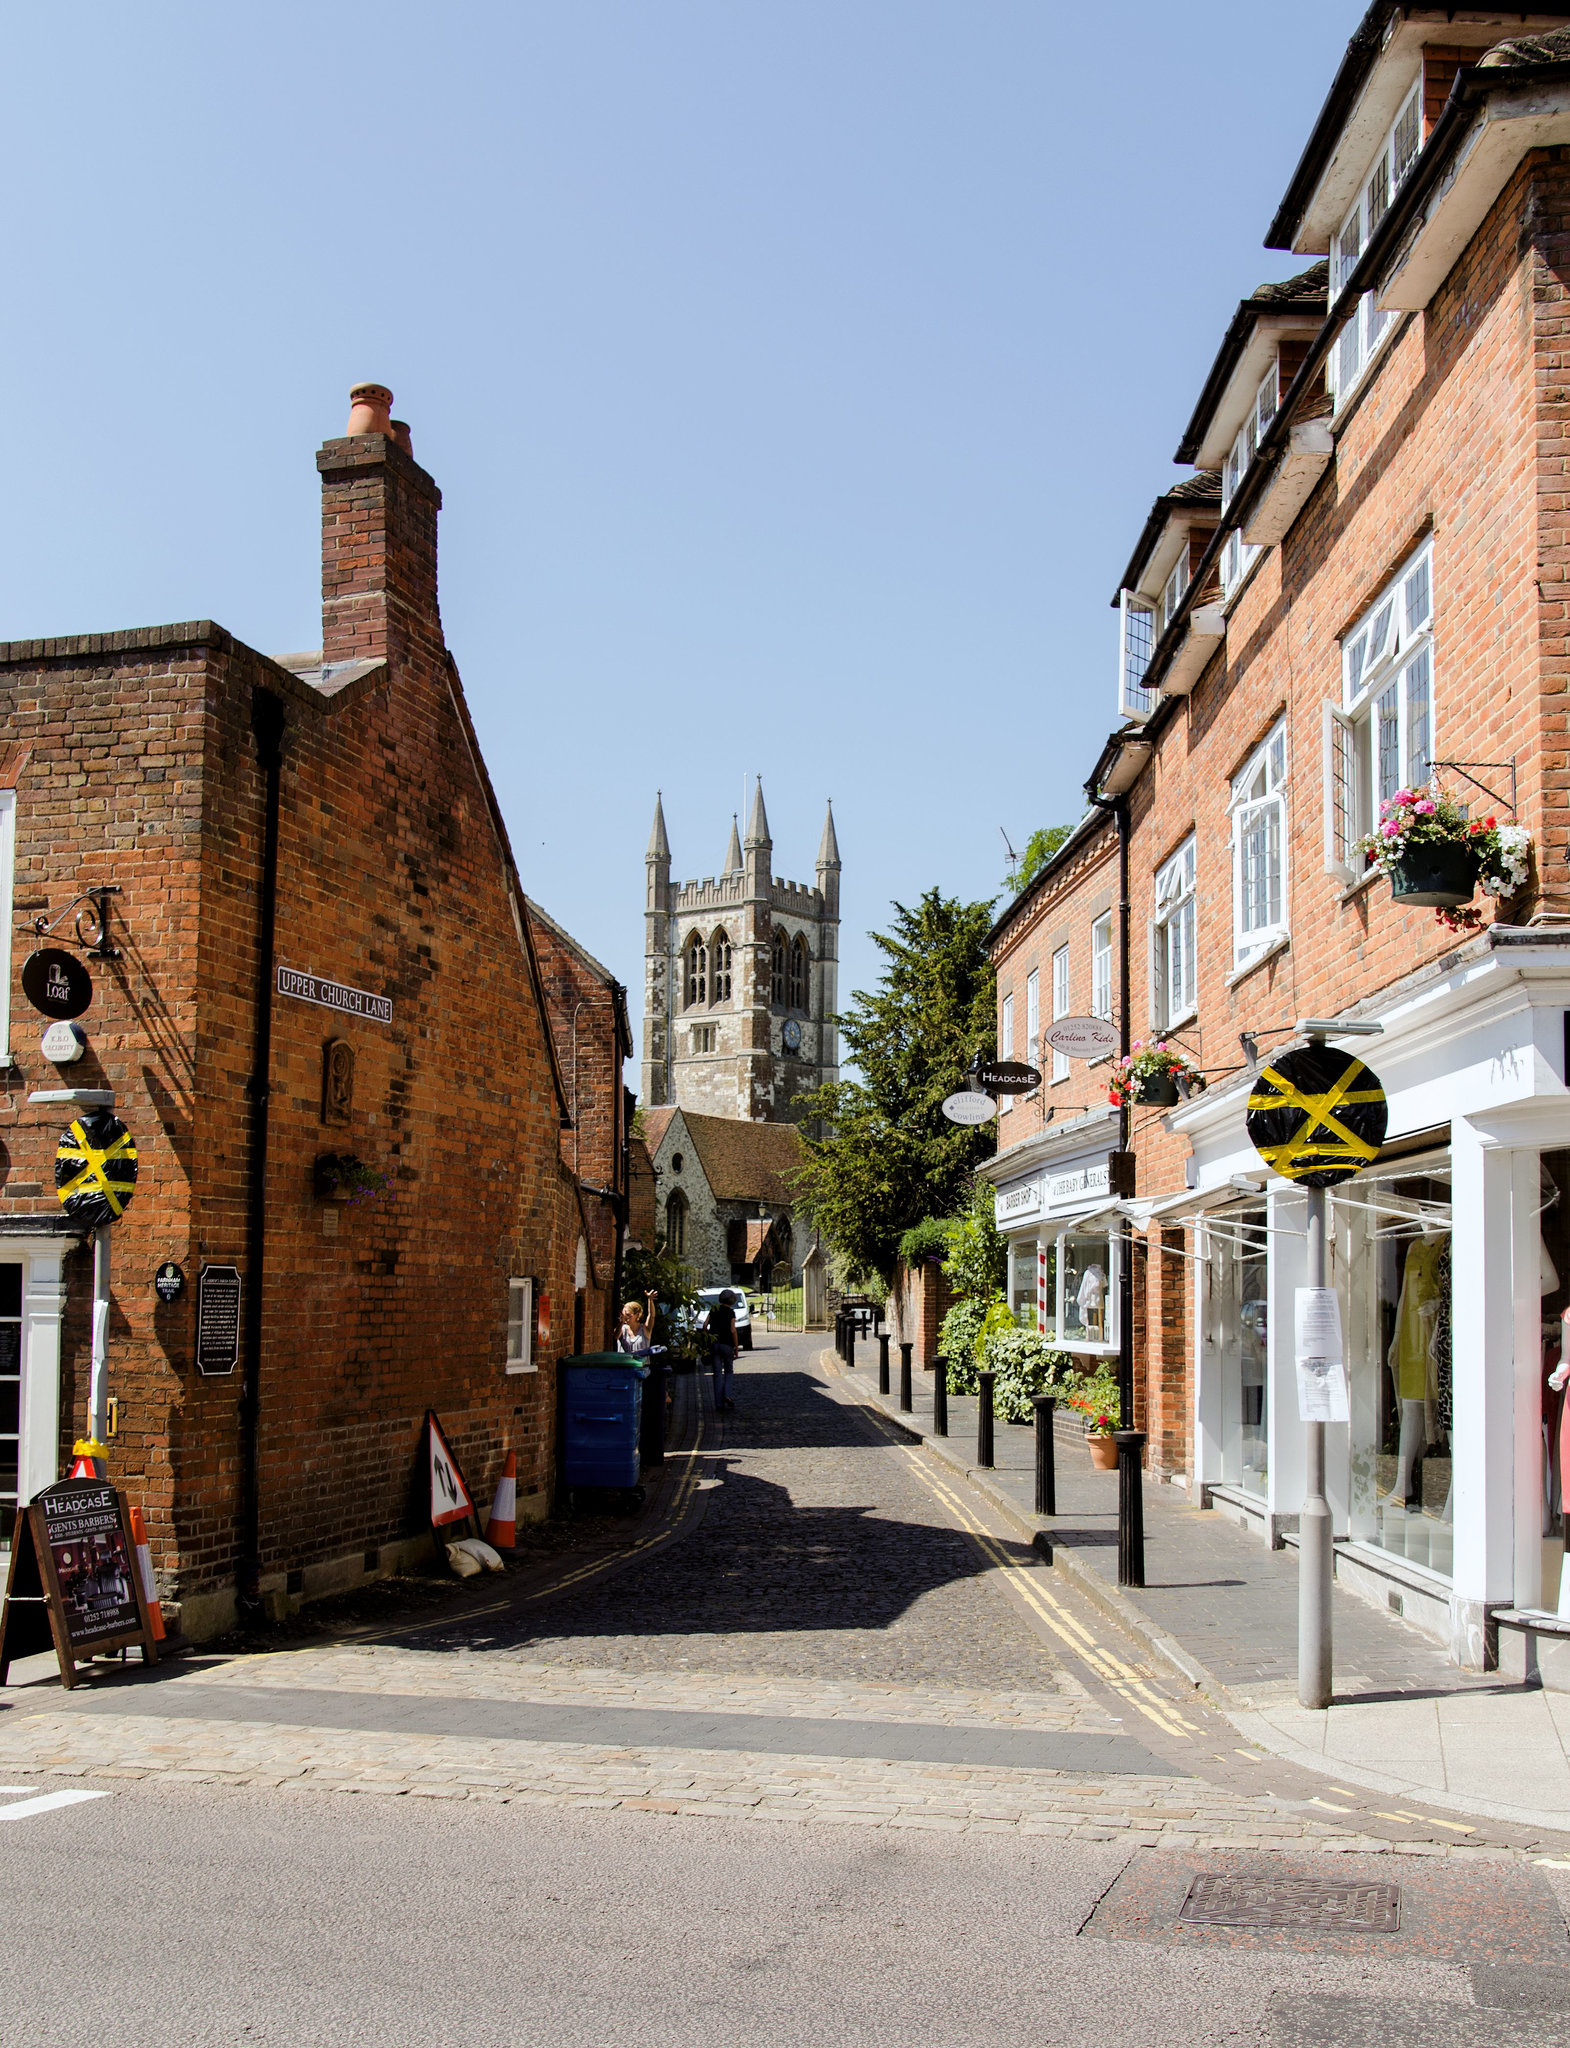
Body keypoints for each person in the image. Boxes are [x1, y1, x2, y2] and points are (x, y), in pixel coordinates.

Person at [707, 1289, 738, 1411]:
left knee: (717, 1373)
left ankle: (719, 1404)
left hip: (714, 1344)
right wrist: (736, 1347)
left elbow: (705, 1325)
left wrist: (708, 1338)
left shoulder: (714, 1310)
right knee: (729, 1371)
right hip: (727, 1344)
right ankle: (727, 1394)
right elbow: (732, 1330)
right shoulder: (731, 1312)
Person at [618, 1291, 658, 1357]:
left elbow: (651, 1316)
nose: (625, 1318)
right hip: (627, 1366)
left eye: (628, 1315)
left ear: (637, 1315)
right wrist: (621, 1322)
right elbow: (615, 1337)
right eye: (624, 1315)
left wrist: (650, 1300)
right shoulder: (623, 1329)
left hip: (643, 1366)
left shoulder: (645, 1329)